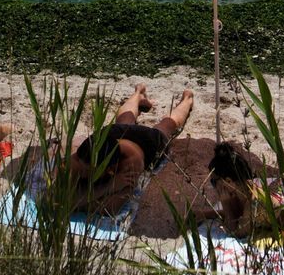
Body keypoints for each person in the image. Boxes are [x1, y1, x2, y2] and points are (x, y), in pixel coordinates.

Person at [56, 84, 194, 215]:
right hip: (114, 133)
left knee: (166, 126)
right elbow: (51, 199)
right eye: (84, 170)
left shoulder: (131, 164)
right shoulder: (77, 160)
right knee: (124, 119)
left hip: (147, 142)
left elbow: (110, 209)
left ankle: (187, 99)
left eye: (90, 171)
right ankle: (138, 92)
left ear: (111, 168)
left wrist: (74, 200)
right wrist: (108, 187)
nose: (85, 174)